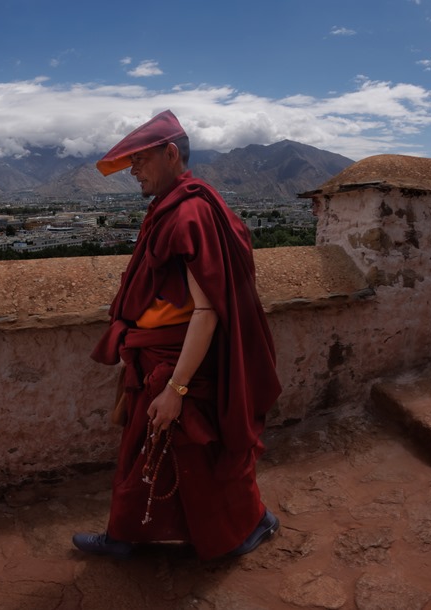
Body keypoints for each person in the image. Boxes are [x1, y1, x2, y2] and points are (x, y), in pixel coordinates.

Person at [73, 110, 282, 560]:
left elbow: (207, 310)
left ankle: (245, 526)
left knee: (198, 459)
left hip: (178, 364)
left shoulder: (190, 214)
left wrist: (175, 388)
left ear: (171, 154)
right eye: (130, 164)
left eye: (141, 160)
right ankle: (129, 537)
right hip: (159, 357)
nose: (133, 172)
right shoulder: (175, 206)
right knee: (162, 455)